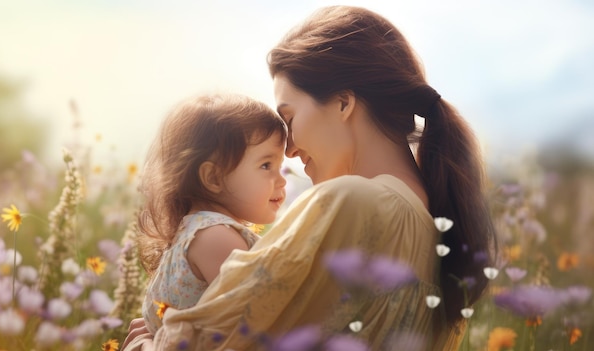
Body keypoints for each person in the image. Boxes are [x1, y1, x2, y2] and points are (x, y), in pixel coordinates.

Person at [124, 5, 496, 351]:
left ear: (343, 103)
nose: (288, 151)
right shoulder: (436, 238)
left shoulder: (351, 202)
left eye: (289, 119)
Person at [132, 93, 288, 344]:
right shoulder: (216, 237)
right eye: (266, 166)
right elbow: (259, 320)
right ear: (213, 178)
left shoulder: (195, 231)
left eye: (280, 167)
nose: (281, 181)